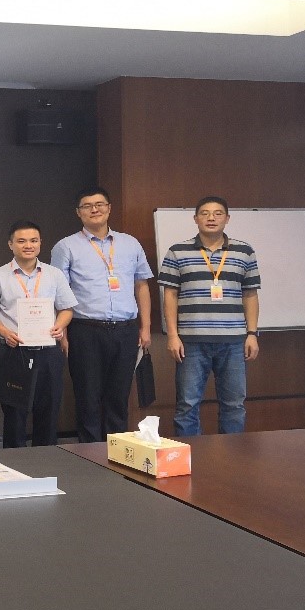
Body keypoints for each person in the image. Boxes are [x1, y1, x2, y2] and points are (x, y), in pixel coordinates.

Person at [50, 187, 153, 442]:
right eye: (87, 206)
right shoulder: (66, 246)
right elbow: (57, 292)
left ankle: (117, 449)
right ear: (78, 212)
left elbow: (142, 285)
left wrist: (145, 327)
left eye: (99, 204)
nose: (94, 210)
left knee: (119, 396)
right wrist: (63, 333)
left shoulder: (130, 243)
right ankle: (90, 453)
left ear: (109, 208)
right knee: (88, 396)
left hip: (126, 329)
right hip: (85, 330)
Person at [159, 196, 260, 436]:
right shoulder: (177, 251)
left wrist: (252, 334)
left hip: (234, 341)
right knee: (187, 405)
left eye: (217, 213)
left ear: (227, 218)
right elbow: (170, 295)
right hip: (191, 342)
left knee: (234, 405)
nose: (211, 218)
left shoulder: (244, 251)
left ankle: (232, 455)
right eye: (204, 213)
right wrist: (172, 335)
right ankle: (191, 455)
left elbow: (250, 295)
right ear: (195, 219)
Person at [0, 220, 76, 447]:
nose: (28, 245)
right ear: (10, 244)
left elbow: (67, 309)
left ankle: (46, 460)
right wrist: (5, 332)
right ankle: (14, 464)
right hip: (14, 351)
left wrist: (60, 325)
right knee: (14, 415)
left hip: (48, 352)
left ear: (40, 243)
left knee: (49, 412)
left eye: (33, 240)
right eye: (21, 241)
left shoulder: (54, 274)